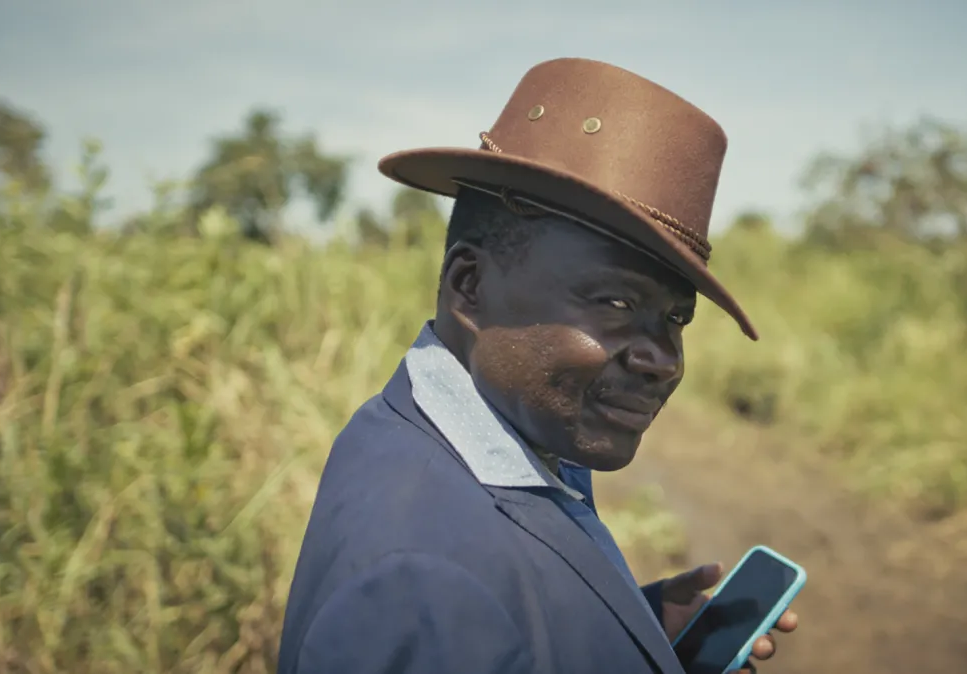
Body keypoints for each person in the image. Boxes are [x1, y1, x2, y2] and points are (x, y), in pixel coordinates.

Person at [276, 57, 799, 674]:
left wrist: (632, 629)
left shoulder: (478, 439)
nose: (664, 360)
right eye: (616, 302)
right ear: (469, 286)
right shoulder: (422, 585)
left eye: (676, 319)